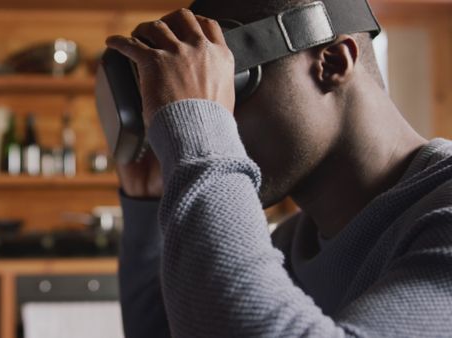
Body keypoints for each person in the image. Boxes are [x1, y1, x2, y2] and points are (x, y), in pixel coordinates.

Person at [106, 0, 452, 336]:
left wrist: (200, 133)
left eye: (230, 85)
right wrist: (148, 210)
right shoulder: (290, 244)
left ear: (332, 62)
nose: (219, 113)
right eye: (212, 95)